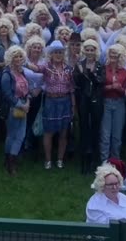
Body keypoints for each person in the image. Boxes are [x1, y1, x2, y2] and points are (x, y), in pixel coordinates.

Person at [40, 40, 75, 170]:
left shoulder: (69, 69)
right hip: (51, 101)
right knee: (48, 132)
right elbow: (36, 68)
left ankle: (60, 159)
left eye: (60, 52)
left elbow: (72, 88)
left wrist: (73, 106)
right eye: (55, 52)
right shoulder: (46, 66)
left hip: (65, 101)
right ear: (51, 54)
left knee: (63, 132)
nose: (58, 55)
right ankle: (48, 160)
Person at [74, 38, 105, 175]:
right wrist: (81, 73)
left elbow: (100, 81)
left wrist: (90, 73)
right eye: (87, 49)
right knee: (84, 127)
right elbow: (76, 82)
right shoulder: (79, 64)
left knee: (96, 128)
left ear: (96, 51)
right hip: (83, 100)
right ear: (84, 51)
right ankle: (85, 159)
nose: (90, 52)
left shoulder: (100, 65)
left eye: (92, 50)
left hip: (96, 100)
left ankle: (94, 158)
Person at [0, 45, 31, 176]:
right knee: (14, 135)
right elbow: (6, 93)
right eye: (15, 56)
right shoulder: (7, 74)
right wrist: (19, 104)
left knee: (19, 134)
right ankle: (11, 161)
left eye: (20, 56)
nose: (18, 59)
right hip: (13, 107)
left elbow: (26, 88)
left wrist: (27, 101)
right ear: (10, 59)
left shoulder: (21, 71)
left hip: (24, 105)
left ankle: (9, 158)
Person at [99, 44, 126, 160]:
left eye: (115, 54)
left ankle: (115, 161)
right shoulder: (102, 69)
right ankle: (104, 161)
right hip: (106, 102)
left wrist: (120, 89)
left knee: (117, 135)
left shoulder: (124, 72)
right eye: (111, 53)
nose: (112, 56)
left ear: (120, 57)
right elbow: (99, 88)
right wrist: (111, 87)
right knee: (105, 135)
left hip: (119, 103)